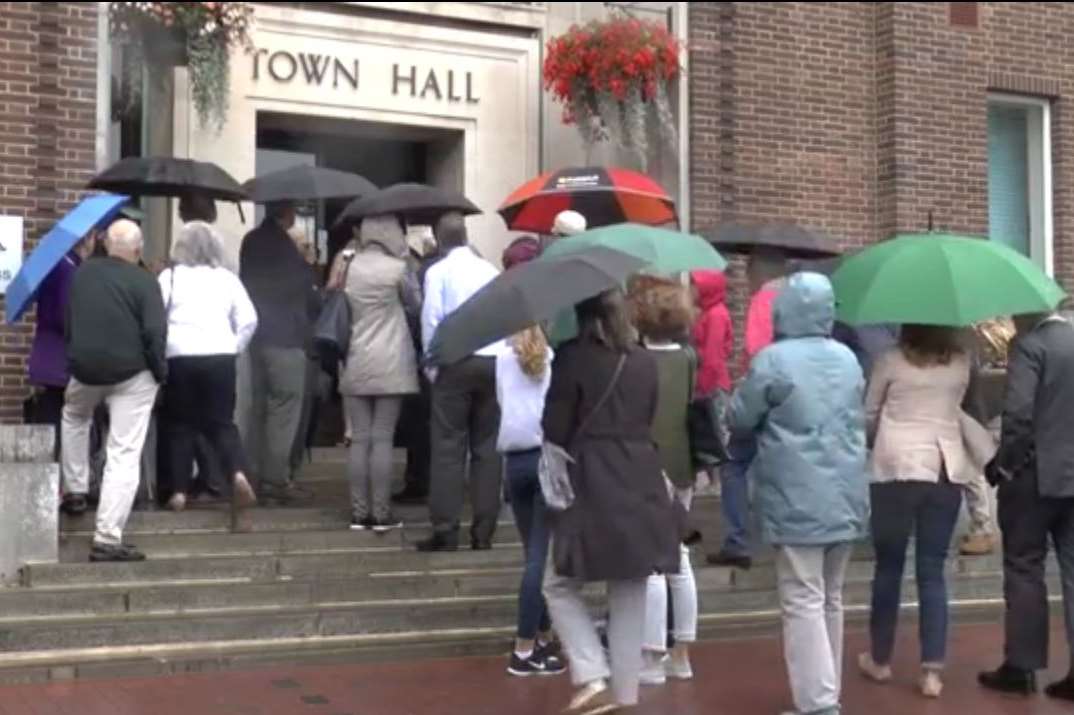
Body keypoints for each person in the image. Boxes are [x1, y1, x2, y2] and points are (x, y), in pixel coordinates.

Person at [727, 272, 868, 715]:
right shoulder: (847, 358)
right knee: (831, 597)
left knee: (802, 598)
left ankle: (819, 702)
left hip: (795, 494)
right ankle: (826, 693)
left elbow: (740, 417)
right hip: (845, 491)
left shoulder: (773, 360)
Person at [541, 288, 681, 714]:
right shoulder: (642, 360)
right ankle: (625, 696)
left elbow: (555, 425)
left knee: (558, 582)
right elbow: (649, 414)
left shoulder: (573, 356)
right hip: (640, 474)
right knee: (630, 586)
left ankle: (590, 671)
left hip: (592, 476)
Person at [857, 325, 985, 698]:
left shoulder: (890, 360)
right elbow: (966, 409)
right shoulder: (961, 363)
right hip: (945, 469)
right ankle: (932, 671)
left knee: (888, 567)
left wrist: (877, 438)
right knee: (932, 570)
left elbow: (868, 414)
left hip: (894, 469)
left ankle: (880, 659)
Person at [979, 310, 1074, 701]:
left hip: (1034, 478)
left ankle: (1022, 665)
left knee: (1023, 567)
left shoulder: (1030, 347)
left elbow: (1018, 415)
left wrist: (1004, 464)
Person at [60, 219, 166, 562]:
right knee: (123, 450)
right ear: (137, 251)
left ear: (106, 244)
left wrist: (77, 355)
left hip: (86, 369)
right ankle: (107, 537)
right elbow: (155, 333)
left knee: (74, 415)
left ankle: (75, 488)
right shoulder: (145, 280)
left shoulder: (82, 274)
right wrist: (159, 373)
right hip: (132, 373)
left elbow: (69, 322)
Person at [157, 222, 258, 520]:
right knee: (222, 423)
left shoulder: (170, 277)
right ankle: (238, 474)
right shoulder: (227, 280)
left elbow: (156, 317)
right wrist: (234, 346)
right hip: (220, 357)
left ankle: (178, 490)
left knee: (180, 426)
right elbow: (249, 319)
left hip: (180, 357)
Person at [416, 213, 503, 552]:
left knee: (448, 447)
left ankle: (446, 529)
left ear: (439, 240)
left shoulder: (438, 272)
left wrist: (431, 368)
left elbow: (432, 320)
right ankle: (484, 532)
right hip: (493, 361)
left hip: (454, 361)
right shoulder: (490, 271)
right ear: (466, 237)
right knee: (487, 448)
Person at [331, 214, 420, 533]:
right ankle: (381, 513)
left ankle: (358, 512)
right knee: (382, 438)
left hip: (356, 358)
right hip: (391, 361)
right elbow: (415, 306)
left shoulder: (348, 266)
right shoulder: (399, 269)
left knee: (360, 440)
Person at [630, 280, 699, 686]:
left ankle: (651, 658)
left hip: (644, 463)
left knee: (650, 566)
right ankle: (683, 655)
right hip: (681, 463)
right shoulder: (688, 358)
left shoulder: (634, 359)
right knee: (680, 561)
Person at [710, 247, 790, 570]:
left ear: (758, 271)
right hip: (791, 397)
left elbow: (757, 352)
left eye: (747, 272)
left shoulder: (763, 300)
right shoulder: (794, 299)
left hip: (762, 395)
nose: (745, 280)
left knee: (733, 465)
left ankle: (739, 540)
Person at [497, 325, 565, 677]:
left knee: (532, 554)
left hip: (514, 460)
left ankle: (541, 636)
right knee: (541, 556)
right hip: (543, 458)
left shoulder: (501, 360)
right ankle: (524, 647)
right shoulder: (551, 360)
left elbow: (501, 402)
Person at [239, 201, 316, 504]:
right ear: (288, 212)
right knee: (284, 408)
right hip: (285, 337)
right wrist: (307, 263)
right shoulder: (285, 248)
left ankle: (255, 473)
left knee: (258, 408)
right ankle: (275, 479)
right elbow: (302, 290)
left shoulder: (251, 240)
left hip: (256, 336)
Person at [27, 228, 98, 464]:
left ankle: (49, 475)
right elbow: (65, 316)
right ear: (85, 241)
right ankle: (59, 482)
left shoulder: (57, 267)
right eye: (92, 238)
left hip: (47, 357)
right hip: (60, 360)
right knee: (61, 424)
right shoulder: (69, 270)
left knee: (49, 421)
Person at [394, 229, 441, 506]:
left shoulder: (425, 272)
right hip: (458, 356)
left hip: (423, 357)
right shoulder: (477, 265)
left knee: (419, 425)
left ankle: (418, 481)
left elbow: (418, 314)